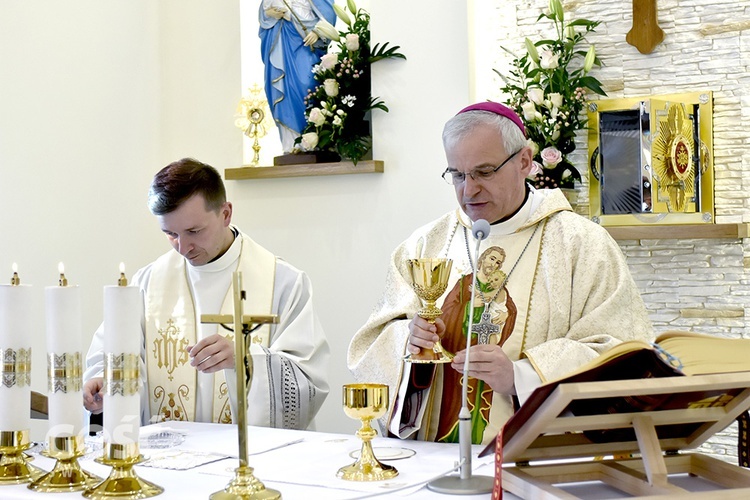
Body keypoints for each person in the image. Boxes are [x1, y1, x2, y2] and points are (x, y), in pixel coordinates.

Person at [347, 102, 653, 445]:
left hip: (532, 462)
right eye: (458, 175)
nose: (469, 190)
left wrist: (521, 376)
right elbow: (369, 348)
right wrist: (409, 340)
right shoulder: (424, 245)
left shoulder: (582, 245)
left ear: (524, 161)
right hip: (428, 459)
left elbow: (622, 352)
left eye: (484, 172)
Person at [83, 158, 329, 429]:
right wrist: (108, 385)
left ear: (225, 214)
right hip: (169, 458)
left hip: (249, 461)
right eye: (170, 234)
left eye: (194, 231)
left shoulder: (283, 282)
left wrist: (244, 359)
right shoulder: (148, 282)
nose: (183, 247)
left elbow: (309, 380)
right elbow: (113, 353)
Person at [259, 0, 336, 153]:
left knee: (307, 84)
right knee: (284, 90)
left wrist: (317, 31)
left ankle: (313, 139)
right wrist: (270, 14)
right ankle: (292, 142)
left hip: (305, 42)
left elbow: (328, 11)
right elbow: (265, 10)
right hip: (282, 40)